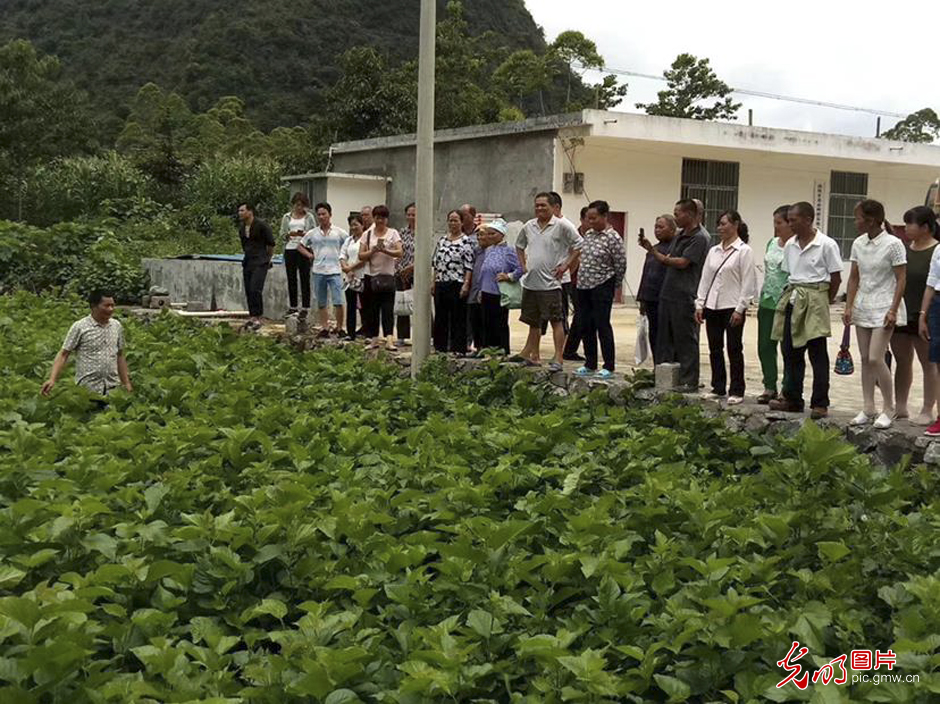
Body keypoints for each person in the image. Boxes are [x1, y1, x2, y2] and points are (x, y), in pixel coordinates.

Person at [769, 202, 843, 419]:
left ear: (808, 219)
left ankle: (820, 402)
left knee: (817, 352)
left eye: (794, 220)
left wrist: (824, 300)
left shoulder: (826, 244)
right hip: (794, 296)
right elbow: (789, 272)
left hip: (815, 296)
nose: (790, 224)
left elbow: (836, 277)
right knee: (791, 351)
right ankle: (792, 397)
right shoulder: (790, 244)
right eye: (789, 220)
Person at [844, 199, 907, 429]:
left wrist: (893, 309)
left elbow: (901, 278)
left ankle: (889, 408)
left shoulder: (893, 244)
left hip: (885, 307)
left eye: (858, 217)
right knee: (864, 358)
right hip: (863, 305)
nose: (855, 222)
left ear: (870, 220)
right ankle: (868, 406)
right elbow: (853, 277)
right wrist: (848, 306)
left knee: (875, 357)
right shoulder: (858, 243)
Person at [639, 199, 710, 392]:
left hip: (685, 294)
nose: (675, 216)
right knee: (664, 339)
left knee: (685, 340)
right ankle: (664, 376)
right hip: (668, 293)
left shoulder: (700, 238)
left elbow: (682, 262)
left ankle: (689, 380)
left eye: (678, 213)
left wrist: (655, 253)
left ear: (690, 214)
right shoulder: (681, 235)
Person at [513, 192, 583, 371]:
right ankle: (534, 356)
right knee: (533, 322)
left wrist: (566, 265)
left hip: (550, 284)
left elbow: (579, 244)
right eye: (537, 205)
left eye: (543, 205)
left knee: (556, 321)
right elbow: (519, 245)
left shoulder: (561, 226)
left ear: (553, 207)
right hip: (531, 284)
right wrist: (523, 266)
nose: (539, 208)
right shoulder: (529, 226)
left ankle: (558, 357)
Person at [695, 210, 758, 404]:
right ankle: (718, 386)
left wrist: (741, 308)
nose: (720, 228)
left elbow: (748, 282)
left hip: (732, 306)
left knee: (734, 348)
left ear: (735, 224)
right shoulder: (714, 251)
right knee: (714, 348)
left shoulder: (744, 251)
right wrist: (700, 303)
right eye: (719, 224)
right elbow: (705, 279)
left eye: (724, 224)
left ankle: (737, 390)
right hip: (712, 305)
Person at [894, 206, 940, 425]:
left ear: (925, 227)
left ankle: (927, 408)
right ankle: (900, 406)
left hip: (926, 314)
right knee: (902, 360)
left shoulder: (936, 250)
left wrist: (926, 313)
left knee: (928, 363)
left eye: (909, 223)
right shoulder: (903, 249)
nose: (906, 228)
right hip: (902, 313)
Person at [42, 290, 132, 399]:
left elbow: (120, 355)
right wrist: (52, 379)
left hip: (112, 388)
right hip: (87, 389)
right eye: (106, 305)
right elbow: (64, 354)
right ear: (94, 306)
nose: (111, 309)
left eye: (113, 305)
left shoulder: (116, 326)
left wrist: (126, 383)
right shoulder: (80, 327)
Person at [573, 200, 626, 378]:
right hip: (583, 286)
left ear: (604, 216)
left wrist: (614, 284)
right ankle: (590, 363)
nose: (591, 221)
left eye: (594, 218)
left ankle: (608, 365)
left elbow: (620, 263)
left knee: (602, 324)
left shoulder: (612, 237)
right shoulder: (588, 234)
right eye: (588, 218)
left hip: (602, 284)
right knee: (585, 324)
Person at [756, 205, 795, 404]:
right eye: (774, 223)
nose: (776, 227)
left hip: (786, 301)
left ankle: (787, 390)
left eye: (779, 223)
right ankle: (769, 385)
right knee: (764, 346)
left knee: (786, 347)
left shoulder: (796, 246)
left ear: (790, 223)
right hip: (767, 301)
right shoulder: (771, 243)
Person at [299, 202, 348, 337]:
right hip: (318, 270)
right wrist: (310, 255)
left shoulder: (339, 232)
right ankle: (325, 327)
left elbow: (348, 244)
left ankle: (339, 327)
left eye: (323, 214)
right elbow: (300, 245)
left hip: (335, 270)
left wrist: (344, 259)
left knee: (338, 301)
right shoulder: (313, 233)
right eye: (319, 214)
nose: (321, 217)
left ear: (330, 215)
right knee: (322, 301)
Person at [358, 204, 402, 351]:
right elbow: (361, 255)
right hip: (372, 276)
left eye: (382, 217)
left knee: (388, 309)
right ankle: (374, 338)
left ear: (387, 219)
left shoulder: (393, 233)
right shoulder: (368, 234)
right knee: (372, 309)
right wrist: (373, 251)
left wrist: (386, 250)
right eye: (377, 217)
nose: (380, 220)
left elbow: (399, 252)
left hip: (388, 277)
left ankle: (389, 339)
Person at [432, 210, 475, 354]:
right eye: (450, 220)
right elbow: (436, 263)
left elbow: (469, 265)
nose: (453, 223)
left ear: (462, 222)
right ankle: (440, 348)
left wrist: (466, 284)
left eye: (456, 220)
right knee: (440, 317)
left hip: (457, 283)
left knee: (458, 317)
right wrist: (434, 282)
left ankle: (458, 348)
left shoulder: (466, 241)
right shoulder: (442, 240)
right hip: (441, 282)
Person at [479, 219, 524, 354]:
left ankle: (502, 349)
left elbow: (520, 268)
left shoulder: (509, 251)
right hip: (486, 291)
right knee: (486, 322)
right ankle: (488, 349)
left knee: (499, 322)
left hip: (499, 292)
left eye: (493, 234)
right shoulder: (488, 250)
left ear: (501, 235)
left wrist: (508, 276)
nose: (490, 236)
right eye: (489, 234)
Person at [637, 214, 677, 364]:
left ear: (673, 229)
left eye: (661, 227)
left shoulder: (674, 248)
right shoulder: (653, 249)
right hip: (651, 299)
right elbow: (646, 274)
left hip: (666, 300)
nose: (657, 230)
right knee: (653, 334)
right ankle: (657, 366)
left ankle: (667, 366)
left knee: (666, 336)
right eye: (656, 227)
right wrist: (642, 299)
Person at [547, 192, 583, 358]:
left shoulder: (565, 225)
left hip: (561, 280)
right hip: (542, 280)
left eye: (545, 207)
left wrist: (567, 270)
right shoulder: (544, 225)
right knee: (540, 318)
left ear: (556, 207)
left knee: (560, 316)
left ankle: (560, 352)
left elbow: (576, 251)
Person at [918, 213, 940, 437]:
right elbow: (931, 284)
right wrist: (923, 314)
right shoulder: (938, 251)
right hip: (937, 306)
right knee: (938, 362)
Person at [237, 203, 275, 330]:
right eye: (239, 211)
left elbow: (271, 244)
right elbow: (244, 245)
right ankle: (252, 315)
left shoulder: (261, 225)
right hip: (248, 260)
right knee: (248, 289)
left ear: (250, 211)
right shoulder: (242, 228)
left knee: (255, 288)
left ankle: (258, 316)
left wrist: (267, 259)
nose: (240, 213)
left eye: (242, 210)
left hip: (260, 261)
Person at [279, 192, 317, 317]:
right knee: (291, 278)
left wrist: (303, 234)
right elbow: (282, 234)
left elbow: (313, 233)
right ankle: (293, 306)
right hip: (290, 248)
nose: (299, 208)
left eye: (302, 205)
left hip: (304, 249)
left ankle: (305, 306)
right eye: (297, 205)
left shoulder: (309, 217)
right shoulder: (287, 217)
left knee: (305, 277)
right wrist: (289, 234)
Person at [562, 205, 590, 361]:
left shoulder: (596, 237)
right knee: (580, 315)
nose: (591, 222)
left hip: (590, 282)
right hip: (573, 281)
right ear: (582, 220)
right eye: (589, 219)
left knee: (583, 316)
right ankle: (569, 349)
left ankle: (571, 349)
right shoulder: (573, 236)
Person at [460, 203, 486, 353]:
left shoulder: (480, 233)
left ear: (473, 216)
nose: (462, 218)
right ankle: (464, 342)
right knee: (462, 313)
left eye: (465, 215)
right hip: (459, 277)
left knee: (475, 312)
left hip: (476, 278)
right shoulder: (458, 233)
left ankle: (478, 344)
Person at [340, 214, 366, 341]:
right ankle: (350, 333)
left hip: (362, 276)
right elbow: (342, 255)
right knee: (351, 306)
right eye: (352, 225)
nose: (354, 227)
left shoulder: (366, 240)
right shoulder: (349, 240)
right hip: (349, 278)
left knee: (365, 306)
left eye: (356, 224)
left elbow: (364, 259)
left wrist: (351, 268)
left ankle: (367, 331)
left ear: (362, 225)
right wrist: (345, 268)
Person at [395, 203, 416, 344]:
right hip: (401, 273)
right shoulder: (402, 232)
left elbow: (426, 254)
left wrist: (411, 268)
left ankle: (428, 336)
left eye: (413, 214)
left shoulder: (425, 231)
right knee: (402, 303)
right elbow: (398, 251)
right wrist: (400, 269)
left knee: (421, 304)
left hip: (417, 272)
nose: (411, 217)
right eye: (408, 214)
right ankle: (402, 336)